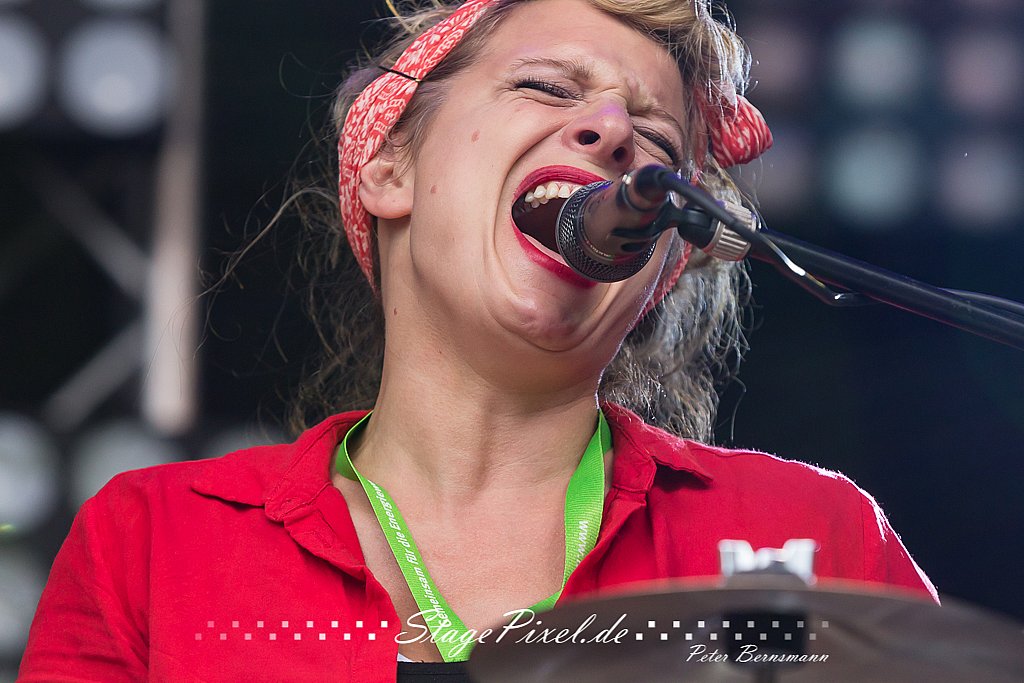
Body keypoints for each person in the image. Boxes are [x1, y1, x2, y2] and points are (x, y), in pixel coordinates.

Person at [19, 0, 937, 681]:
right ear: (387, 166)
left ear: (656, 265)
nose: (613, 133)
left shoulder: (805, 537)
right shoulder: (155, 540)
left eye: (654, 139)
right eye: (545, 86)